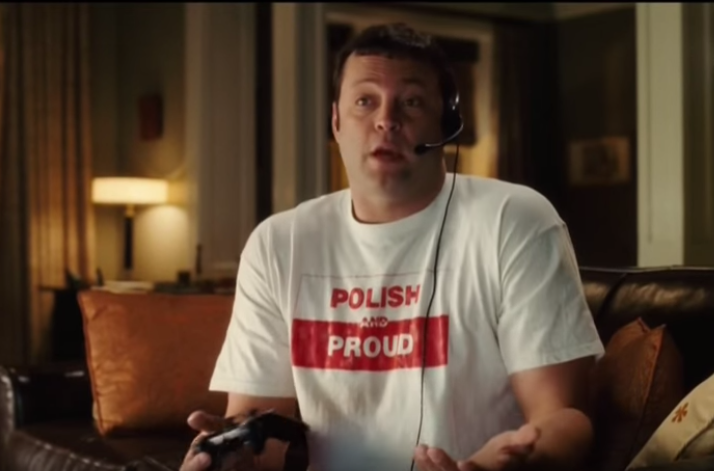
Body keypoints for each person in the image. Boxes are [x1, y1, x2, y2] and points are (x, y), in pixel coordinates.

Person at [181, 22, 604, 471]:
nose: (387, 119)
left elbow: (565, 418)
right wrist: (227, 452)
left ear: (447, 125)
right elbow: (260, 430)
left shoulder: (514, 220)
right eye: (365, 101)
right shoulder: (276, 243)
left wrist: (497, 464)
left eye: (412, 102)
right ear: (337, 122)